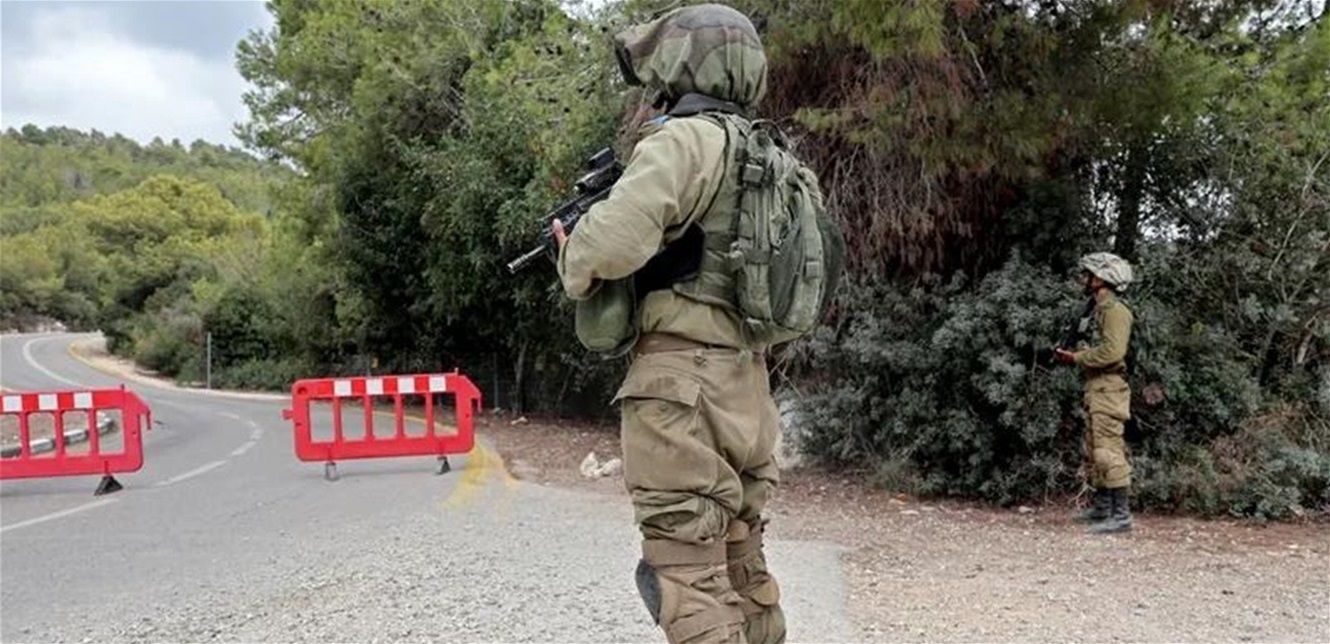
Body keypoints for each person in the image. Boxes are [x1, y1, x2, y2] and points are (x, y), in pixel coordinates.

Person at [552, 4, 786, 643]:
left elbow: (611, 243)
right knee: (742, 566)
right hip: (748, 386)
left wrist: (572, 251)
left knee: (685, 578)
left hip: (682, 388)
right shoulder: (768, 155)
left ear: (682, 64)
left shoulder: (684, 141)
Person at [1056, 252, 1136, 534]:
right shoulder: (1098, 308)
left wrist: (1077, 358)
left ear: (1102, 278)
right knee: (1095, 448)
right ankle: (1103, 508)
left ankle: (1121, 516)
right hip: (1097, 387)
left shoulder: (1115, 311)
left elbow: (1113, 352)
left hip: (1109, 388)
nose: (1085, 279)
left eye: (1089, 274)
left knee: (1108, 450)